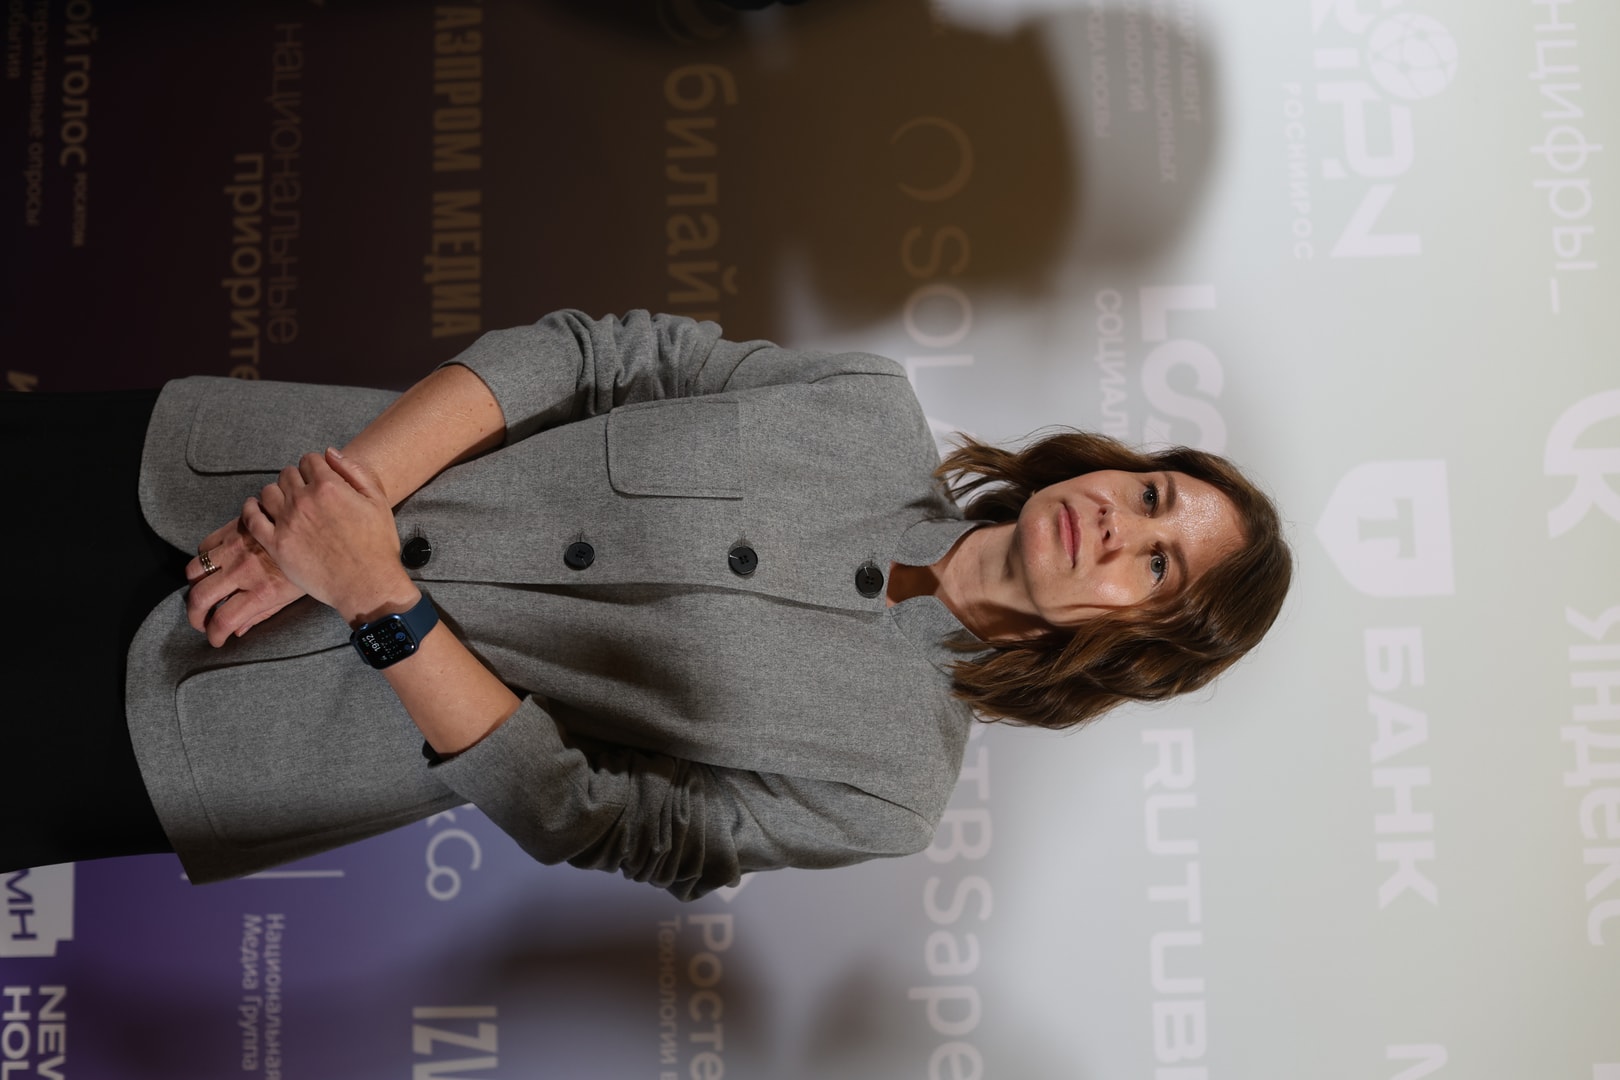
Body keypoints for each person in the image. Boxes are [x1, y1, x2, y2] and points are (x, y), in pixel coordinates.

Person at [3, 310, 1290, 899]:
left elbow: (598, 821)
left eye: (1157, 567)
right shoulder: (863, 406)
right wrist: (350, 503)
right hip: (227, 480)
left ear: (1130, 650)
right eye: (1156, 494)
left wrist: (376, 597)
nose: (1122, 524)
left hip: (214, 730)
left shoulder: (888, 789)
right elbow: (590, 356)